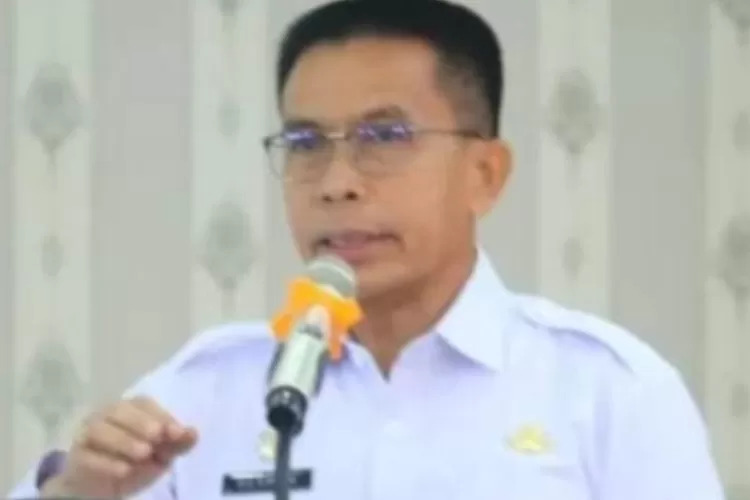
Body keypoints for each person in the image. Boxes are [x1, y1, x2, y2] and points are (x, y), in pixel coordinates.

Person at [9, 1, 725, 499]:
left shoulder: (608, 392)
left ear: (484, 174)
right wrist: (74, 494)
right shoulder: (203, 395)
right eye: (305, 143)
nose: (336, 182)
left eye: (385, 138)